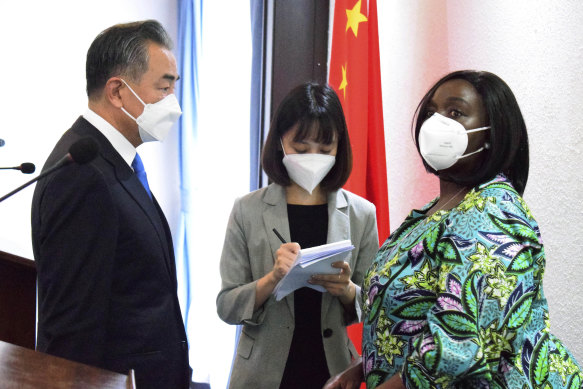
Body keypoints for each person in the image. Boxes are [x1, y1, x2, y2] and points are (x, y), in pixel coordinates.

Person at [325, 70, 583, 388]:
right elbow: (409, 315)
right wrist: (365, 367)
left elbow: (461, 344)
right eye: (432, 111)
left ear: (491, 133)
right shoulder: (429, 215)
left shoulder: (492, 212)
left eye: (455, 112)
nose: (436, 122)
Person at [31, 20, 191, 389]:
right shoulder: (82, 174)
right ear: (118, 91)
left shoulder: (116, 160)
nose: (174, 105)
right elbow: (73, 329)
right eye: (163, 88)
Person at [216, 82, 379, 389]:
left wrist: (345, 290)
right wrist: (273, 277)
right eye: (301, 149)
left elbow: (377, 308)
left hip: (332, 371)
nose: (312, 157)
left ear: (339, 147)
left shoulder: (361, 214)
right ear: (280, 142)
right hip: (261, 374)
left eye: (325, 149)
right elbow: (227, 306)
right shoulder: (248, 210)